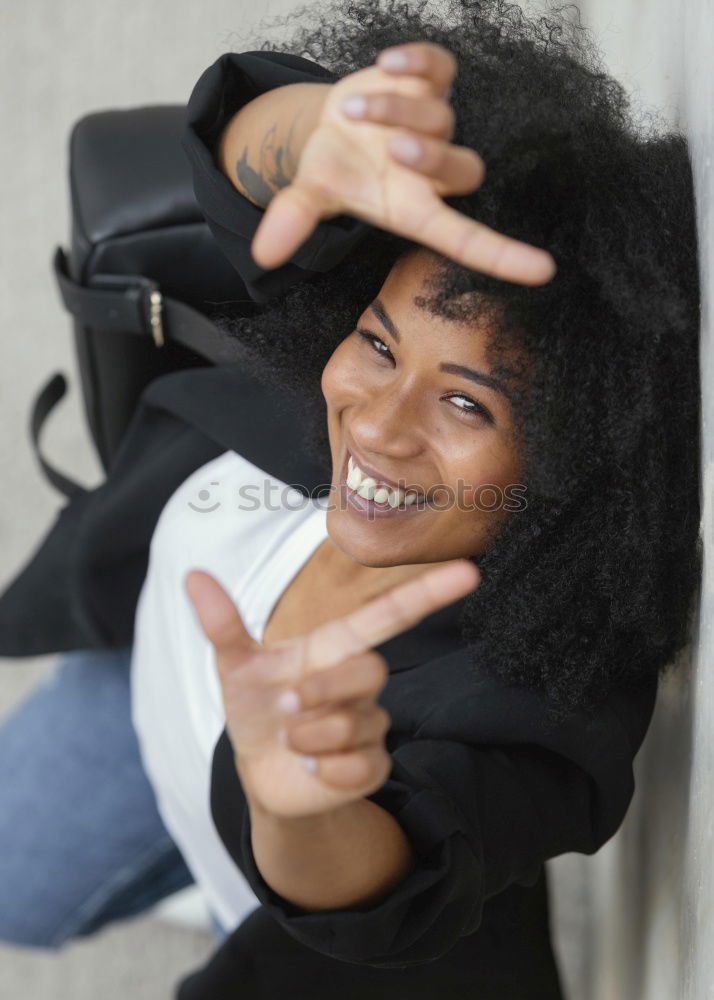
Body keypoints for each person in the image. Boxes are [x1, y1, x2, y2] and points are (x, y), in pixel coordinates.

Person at [0, 2, 700, 998]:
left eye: (468, 401)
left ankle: (213, 876)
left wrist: (302, 806)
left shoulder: (528, 708)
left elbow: (386, 886)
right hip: (143, 673)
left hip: (281, 872)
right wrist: (315, 128)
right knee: (13, 887)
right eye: (378, 341)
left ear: (574, 460)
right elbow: (246, 152)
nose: (375, 424)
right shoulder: (318, 350)